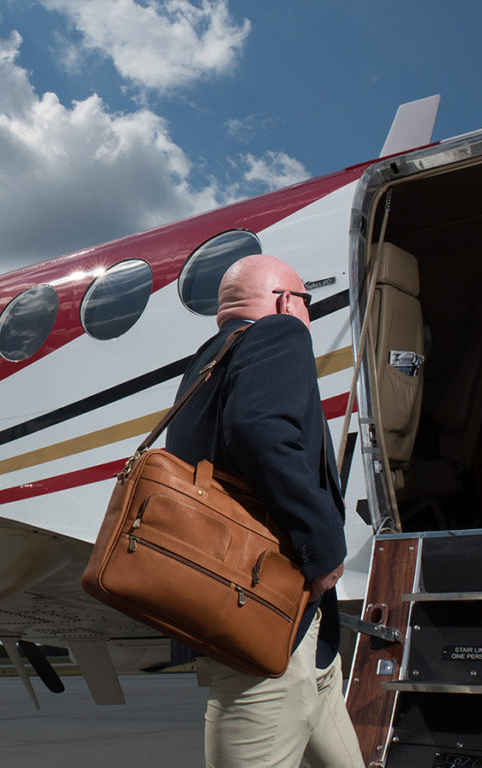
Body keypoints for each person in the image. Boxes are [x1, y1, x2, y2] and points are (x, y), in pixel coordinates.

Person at [165, 253, 362, 768]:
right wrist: (323, 550)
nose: (309, 317)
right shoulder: (279, 334)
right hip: (273, 618)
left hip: (272, 620)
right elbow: (259, 428)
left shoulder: (208, 362)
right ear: (283, 301)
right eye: (307, 302)